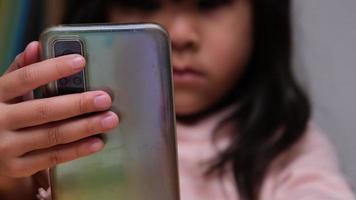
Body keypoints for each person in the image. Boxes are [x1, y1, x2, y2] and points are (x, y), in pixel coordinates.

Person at [0, 0, 355, 199]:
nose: (180, 34)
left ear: (262, 19)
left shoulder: (284, 144)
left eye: (211, 3)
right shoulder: (45, 132)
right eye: (147, 1)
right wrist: (11, 185)